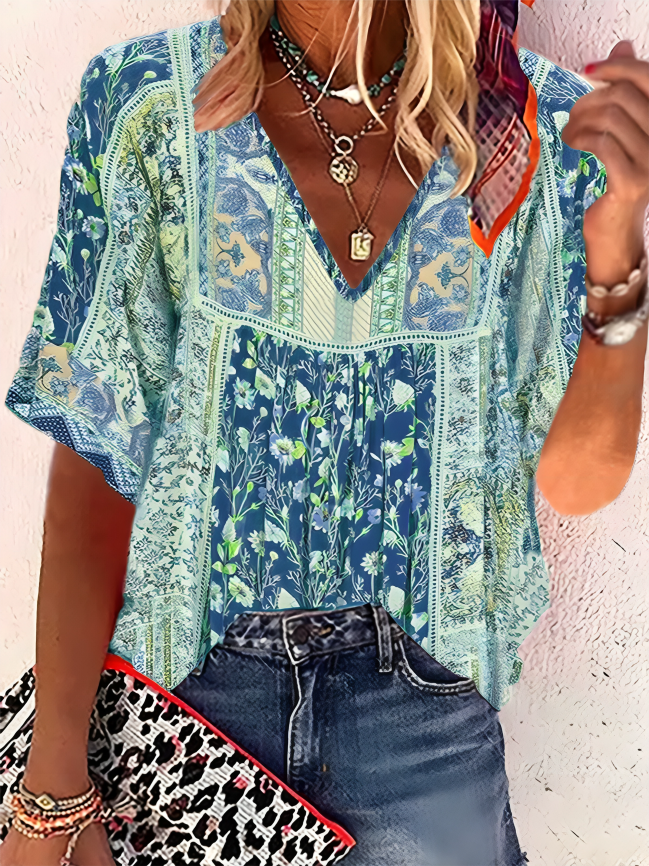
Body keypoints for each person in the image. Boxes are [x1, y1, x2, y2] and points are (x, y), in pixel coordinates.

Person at [2, 0, 649, 863]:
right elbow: (96, 453)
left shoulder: (534, 134)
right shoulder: (149, 103)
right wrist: (50, 782)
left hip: (423, 736)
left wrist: (617, 256)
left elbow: (577, 481)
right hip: (182, 722)